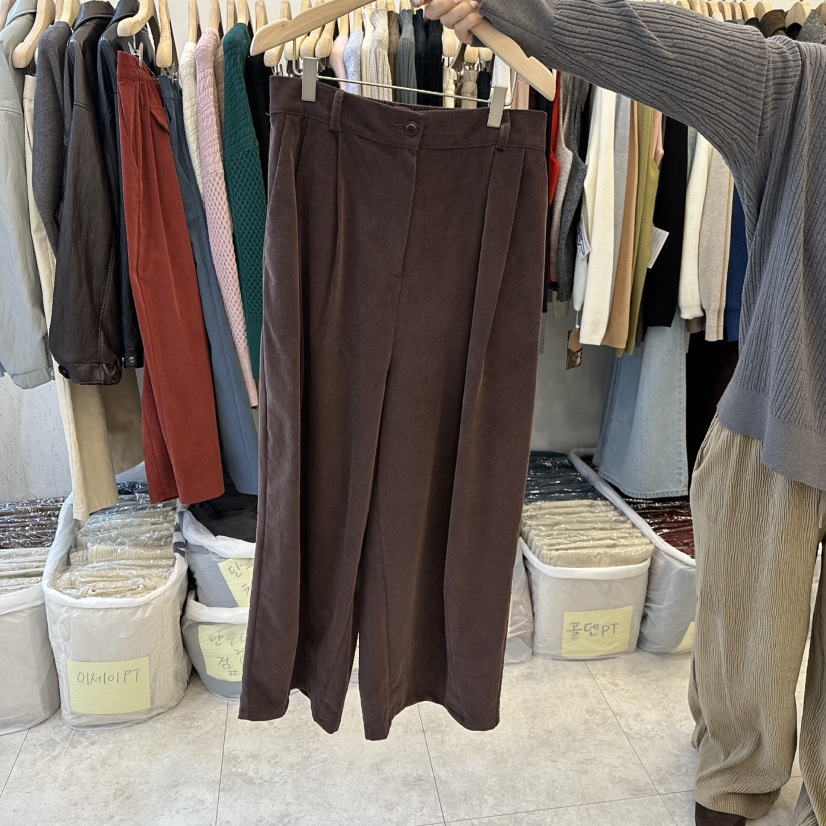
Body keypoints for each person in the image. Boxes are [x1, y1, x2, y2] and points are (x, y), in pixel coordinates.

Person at [417, 1, 826, 824]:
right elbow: (644, 39)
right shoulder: (795, 83)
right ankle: (735, 777)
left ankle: (742, 776)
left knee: (746, 631)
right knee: (745, 639)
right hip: (782, 407)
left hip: (782, 407)